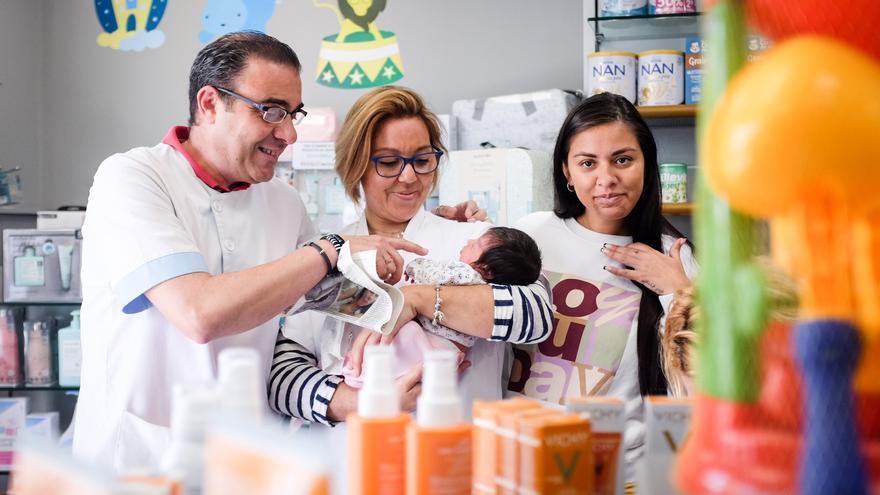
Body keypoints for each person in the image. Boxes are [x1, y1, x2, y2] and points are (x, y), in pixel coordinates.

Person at [72, 32, 430, 471]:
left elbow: (331, 301)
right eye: (271, 111)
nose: (289, 133)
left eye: (293, 113)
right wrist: (330, 248)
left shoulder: (283, 202)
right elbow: (200, 314)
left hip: (245, 459)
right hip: (141, 459)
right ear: (209, 103)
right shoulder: (132, 178)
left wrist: (433, 255)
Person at [268, 86, 553, 423]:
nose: (409, 177)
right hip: (355, 458)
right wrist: (358, 403)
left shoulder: (474, 238)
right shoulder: (326, 255)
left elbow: (537, 316)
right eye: (389, 162)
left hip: (461, 458)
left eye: (422, 160)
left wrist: (416, 298)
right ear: (355, 164)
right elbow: (279, 377)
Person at [506, 92, 698, 481]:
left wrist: (678, 293)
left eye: (623, 160)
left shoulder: (673, 257)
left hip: (617, 474)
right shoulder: (532, 233)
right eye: (588, 163)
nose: (606, 179)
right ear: (566, 170)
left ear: (647, 164)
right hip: (517, 461)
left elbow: (702, 386)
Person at [341, 226, 543, 387]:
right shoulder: (488, 289)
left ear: (486, 269)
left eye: (477, 244)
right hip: (443, 355)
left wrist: (413, 269)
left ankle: (360, 372)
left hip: (433, 346)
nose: (469, 241)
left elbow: (432, 273)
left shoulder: (465, 274)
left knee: (398, 338)